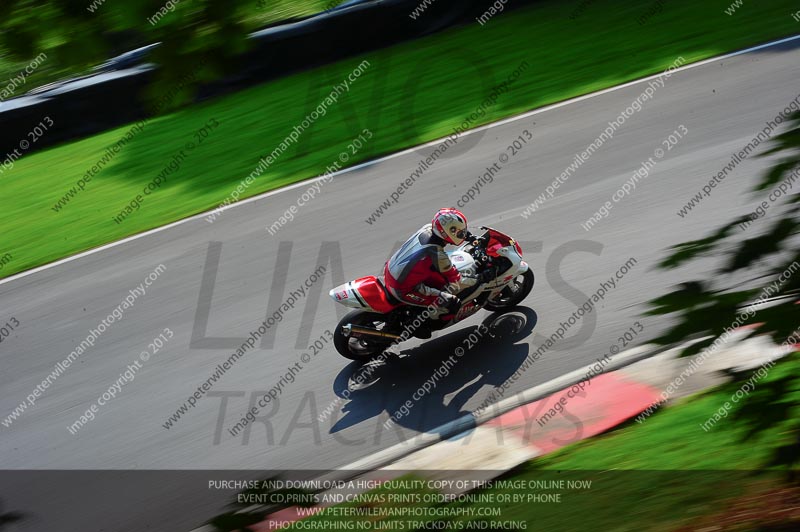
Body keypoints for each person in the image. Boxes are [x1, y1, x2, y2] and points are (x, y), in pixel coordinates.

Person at [383, 208, 474, 338]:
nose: (462, 234)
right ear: (446, 232)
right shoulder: (437, 253)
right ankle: (418, 325)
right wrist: (478, 278)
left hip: (390, 270)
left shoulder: (426, 229)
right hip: (402, 288)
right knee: (452, 302)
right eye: (459, 233)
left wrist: (468, 236)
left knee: (436, 280)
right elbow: (455, 279)